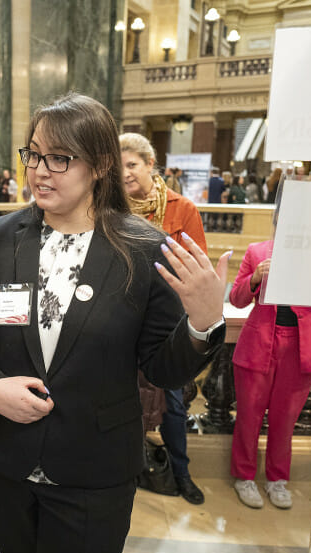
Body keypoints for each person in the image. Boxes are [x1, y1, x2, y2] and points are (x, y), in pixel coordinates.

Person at [0, 93, 228, 553]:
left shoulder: (142, 249)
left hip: (93, 470)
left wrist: (203, 321)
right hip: (8, 463)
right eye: (34, 155)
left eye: (60, 158)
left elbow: (164, 367)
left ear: (99, 165)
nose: (40, 171)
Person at [119, 132, 208, 505]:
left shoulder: (180, 208)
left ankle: (182, 474)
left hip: (166, 321)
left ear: (150, 165)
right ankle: (128, 472)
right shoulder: (110, 208)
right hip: (123, 318)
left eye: (131, 165)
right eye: (117, 167)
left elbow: (197, 262)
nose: (124, 174)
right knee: (123, 401)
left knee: (173, 402)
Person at [229, 241, 311, 510]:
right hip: (260, 341)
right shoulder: (257, 251)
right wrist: (255, 277)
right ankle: (244, 476)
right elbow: (236, 299)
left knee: (286, 419)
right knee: (249, 415)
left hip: (302, 345)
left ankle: (277, 479)